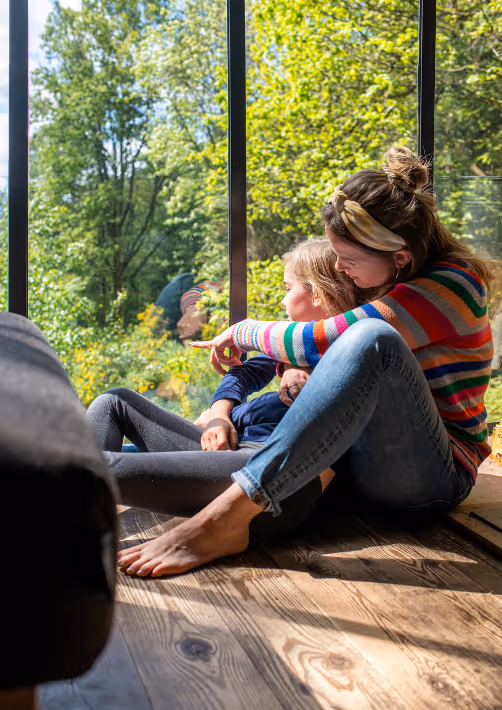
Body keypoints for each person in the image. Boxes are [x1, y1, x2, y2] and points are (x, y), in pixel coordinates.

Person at [117, 146, 493, 579]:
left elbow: (328, 339)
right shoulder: (392, 282)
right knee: (133, 433)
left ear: (401, 257)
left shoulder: (454, 286)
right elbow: (325, 359)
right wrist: (260, 386)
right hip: (362, 471)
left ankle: (228, 517)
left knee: (370, 337)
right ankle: (71, 482)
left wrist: (243, 331)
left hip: (433, 474)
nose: (337, 267)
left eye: (348, 259)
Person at [87, 240, 356, 536]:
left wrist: (303, 370)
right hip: (227, 447)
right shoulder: (289, 345)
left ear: (317, 294)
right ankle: (77, 517)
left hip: (263, 472)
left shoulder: (353, 352)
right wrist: (219, 414)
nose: (282, 301)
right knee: (114, 401)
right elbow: (242, 374)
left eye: (287, 288)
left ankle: (62, 533)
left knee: (95, 467)